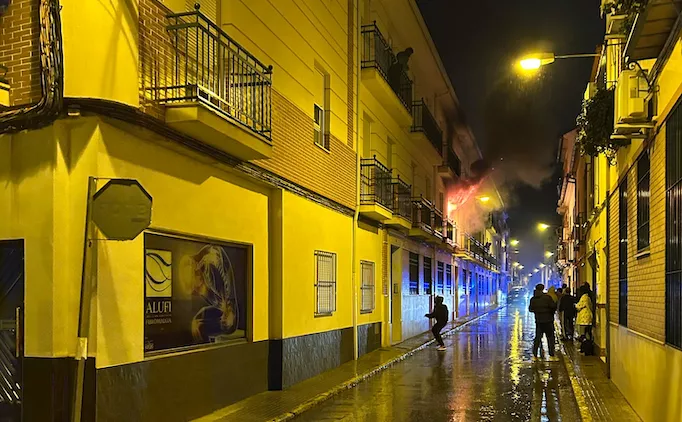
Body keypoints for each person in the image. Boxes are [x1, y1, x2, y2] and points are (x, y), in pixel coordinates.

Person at [529, 284, 559, 361]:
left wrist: (538, 311)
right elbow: (553, 307)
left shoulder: (533, 299)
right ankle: (551, 354)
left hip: (538, 321)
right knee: (550, 338)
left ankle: (535, 354)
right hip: (548, 320)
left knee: (538, 337)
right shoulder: (547, 298)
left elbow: (530, 309)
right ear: (543, 289)